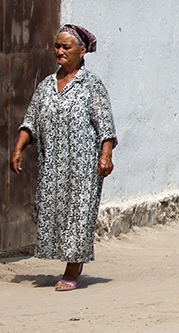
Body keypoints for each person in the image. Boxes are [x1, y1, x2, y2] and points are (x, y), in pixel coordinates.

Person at [10, 24, 117, 291]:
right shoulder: (47, 85)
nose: (59, 51)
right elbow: (31, 121)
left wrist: (106, 156)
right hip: (53, 165)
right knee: (54, 212)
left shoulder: (91, 85)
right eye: (57, 46)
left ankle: (72, 269)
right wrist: (18, 148)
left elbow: (105, 124)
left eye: (65, 47)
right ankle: (70, 259)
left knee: (79, 213)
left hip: (84, 166)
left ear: (81, 52)